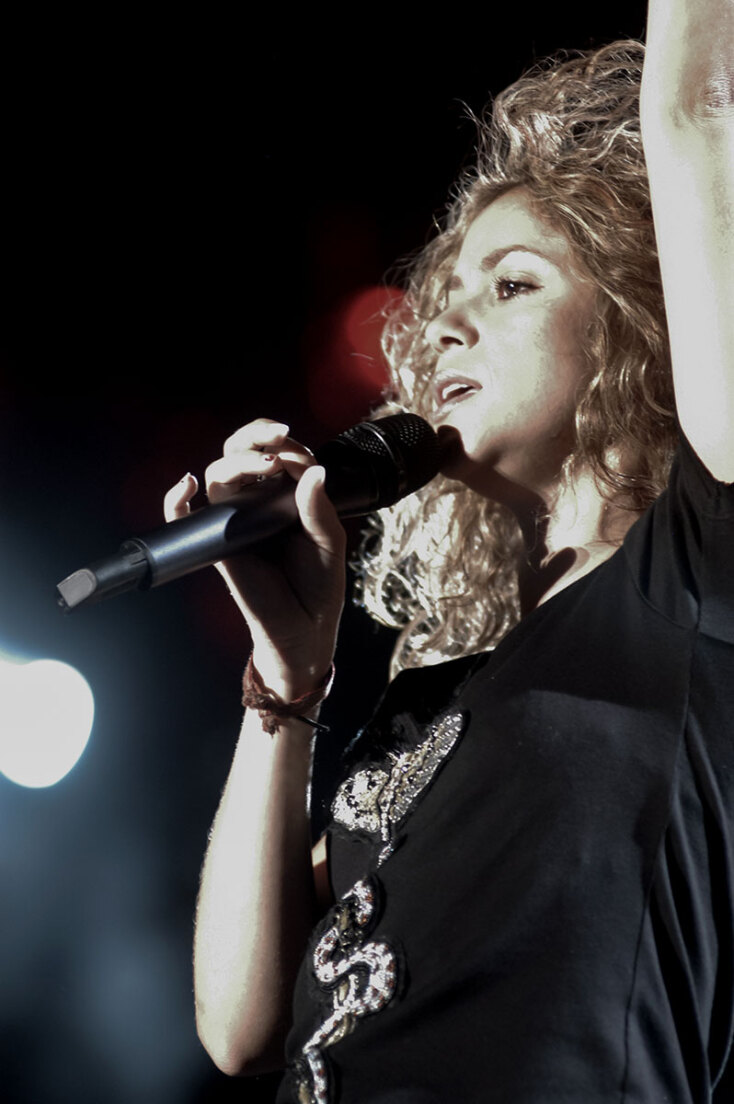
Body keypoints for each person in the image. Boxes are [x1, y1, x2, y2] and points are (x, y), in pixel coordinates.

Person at [164, 2, 734, 1100]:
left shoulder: (697, 577)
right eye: (446, 298)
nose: (443, 328)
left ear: (639, 323)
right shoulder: (431, 696)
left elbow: (696, 113)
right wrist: (286, 687)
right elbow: (241, 1026)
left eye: (512, 283)